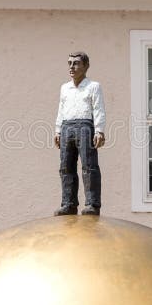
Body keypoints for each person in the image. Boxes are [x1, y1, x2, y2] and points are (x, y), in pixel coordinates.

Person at [54, 51, 105, 216]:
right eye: (69, 63)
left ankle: (92, 203)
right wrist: (58, 130)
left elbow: (98, 109)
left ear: (85, 66)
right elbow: (61, 109)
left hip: (85, 125)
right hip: (67, 126)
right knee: (65, 167)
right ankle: (68, 203)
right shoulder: (65, 88)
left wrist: (99, 131)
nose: (71, 67)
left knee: (89, 166)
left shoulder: (93, 86)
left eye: (76, 63)